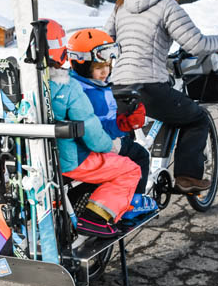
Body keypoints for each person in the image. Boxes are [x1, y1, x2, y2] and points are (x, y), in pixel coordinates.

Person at [104, 0, 218, 193]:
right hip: (149, 86)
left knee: (127, 136)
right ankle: (187, 176)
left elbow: (106, 40)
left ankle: (127, 193)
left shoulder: (121, 5)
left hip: (118, 86)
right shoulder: (166, 5)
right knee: (196, 117)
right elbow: (197, 44)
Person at [44, 19, 140, 238]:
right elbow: (93, 133)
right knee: (130, 168)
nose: (105, 70)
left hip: (39, 160)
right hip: (70, 160)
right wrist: (110, 145)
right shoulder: (68, 87)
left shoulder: (24, 85)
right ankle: (96, 217)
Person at [65, 28, 158, 220]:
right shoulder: (88, 93)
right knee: (139, 155)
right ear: (82, 65)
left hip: (81, 145)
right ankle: (133, 202)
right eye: (99, 68)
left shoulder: (81, 83)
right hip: (95, 146)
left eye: (108, 66)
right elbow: (97, 129)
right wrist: (123, 124)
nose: (105, 72)